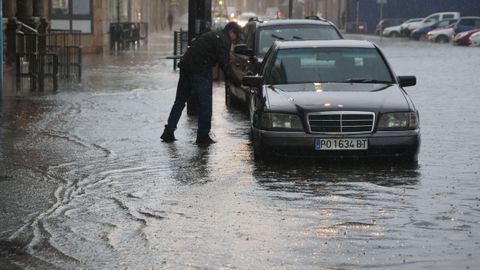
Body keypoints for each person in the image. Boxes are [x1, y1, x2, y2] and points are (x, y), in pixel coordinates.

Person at [160, 22, 243, 145]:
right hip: (199, 71)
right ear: (231, 31)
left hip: (186, 67)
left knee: (179, 101)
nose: (235, 40)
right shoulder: (224, 41)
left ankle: (168, 132)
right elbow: (225, 66)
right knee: (205, 105)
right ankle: (203, 136)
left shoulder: (212, 35)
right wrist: (239, 83)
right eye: (236, 36)